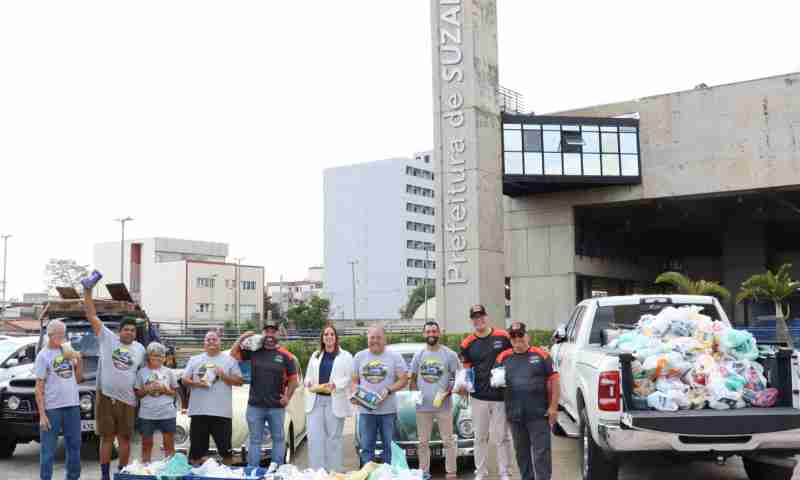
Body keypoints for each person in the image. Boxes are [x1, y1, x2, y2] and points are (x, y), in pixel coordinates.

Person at [85, 287, 146, 480]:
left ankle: (122, 473)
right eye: (126, 329)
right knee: (107, 439)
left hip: (128, 401)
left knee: (125, 438)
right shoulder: (107, 339)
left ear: (135, 333)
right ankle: (105, 476)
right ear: (119, 331)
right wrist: (88, 292)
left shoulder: (140, 349)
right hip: (107, 398)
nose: (129, 332)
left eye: (132, 330)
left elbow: (142, 373)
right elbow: (92, 315)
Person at [495, 322, 560, 480]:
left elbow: (555, 382)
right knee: (522, 454)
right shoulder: (503, 357)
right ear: (510, 339)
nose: (517, 339)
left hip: (538, 414)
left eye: (520, 335)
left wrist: (553, 407)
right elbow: (496, 381)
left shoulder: (542, 355)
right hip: (515, 415)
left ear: (527, 336)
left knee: (541, 454)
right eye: (513, 336)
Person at [231, 319, 299, 468]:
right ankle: (252, 472)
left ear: (277, 334)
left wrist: (287, 397)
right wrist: (242, 337)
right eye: (267, 331)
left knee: (278, 439)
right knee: (255, 440)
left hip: (276, 407)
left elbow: (294, 380)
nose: (269, 334)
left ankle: (277, 471)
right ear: (263, 333)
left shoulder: (286, 356)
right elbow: (233, 354)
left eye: (273, 331)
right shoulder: (254, 351)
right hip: (255, 406)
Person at [458, 304, 514, 480]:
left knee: (502, 437)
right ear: (472, 320)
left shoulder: (503, 336)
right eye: (475, 317)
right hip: (478, 398)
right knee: (480, 437)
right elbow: (466, 370)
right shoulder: (467, 343)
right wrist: (464, 387)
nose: (478, 320)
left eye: (481, 316)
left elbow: (512, 359)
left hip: (500, 397)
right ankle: (480, 472)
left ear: (486, 317)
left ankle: (505, 472)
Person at [182, 330, 243, 466]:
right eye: (208, 339)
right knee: (196, 454)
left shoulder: (229, 360)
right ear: (204, 343)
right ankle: (196, 474)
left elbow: (239, 381)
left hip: (221, 413)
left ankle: (227, 474)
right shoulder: (195, 359)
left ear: (219, 342)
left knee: (226, 452)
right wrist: (197, 383)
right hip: (199, 412)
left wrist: (223, 375)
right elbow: (184, 380)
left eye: (214, 339)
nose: (211, 342)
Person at [351, 324, 408, 466]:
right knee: (366, 449)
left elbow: (404, 379)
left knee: (390, 449)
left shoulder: (394, 356)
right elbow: (353, 382)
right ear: (367, 339)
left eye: (378, 337)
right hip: (366, 412)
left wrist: (389, 390)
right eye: (372, 337)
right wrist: (356, 396)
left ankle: (389, 475)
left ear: (385, 340)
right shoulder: (359, 356)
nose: (375, 340)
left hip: (388, 412)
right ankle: (368, 475)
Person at [409, 321, 460, 480]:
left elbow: (456, 377)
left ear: (439, 333)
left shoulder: (449, 354)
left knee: (448, 441)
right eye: (428, 332)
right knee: (423, 442)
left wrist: (448, 391)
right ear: (424, 334)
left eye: (434, 331)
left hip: (443, 405)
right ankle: (424, 472)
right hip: (423, 407)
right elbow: (413, 378)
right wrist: (414, 392)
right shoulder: (419, 355)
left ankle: (451, 472)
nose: (431, 334)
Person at [35, 320, 83, 480]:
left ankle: (72, 477)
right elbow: (39, 387)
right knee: (48, 450)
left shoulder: (67, 350)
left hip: (73, 406)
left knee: (74, 447)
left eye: (64, 335)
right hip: (52, 408)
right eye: (59, 335)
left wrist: (79, 359)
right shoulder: (43, 356)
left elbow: (78, 379)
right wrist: (42, 414)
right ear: (50, 335)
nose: (63, 338)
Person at [303, 324, 354, 472]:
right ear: (322, 338)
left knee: (333, 439)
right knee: (315, 439)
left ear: (336, 337)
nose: (329, 337)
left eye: (332, 334)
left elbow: (350, 377)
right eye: (326, 334)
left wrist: (335, 385)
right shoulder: (316, 355)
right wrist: (309, 383)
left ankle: (334, 472)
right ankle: (317, 472)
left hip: (334, 400)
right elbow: (308, 377)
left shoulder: (345, 356)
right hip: (316, 400)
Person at [134, 342, 179, 463]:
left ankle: (170, 470)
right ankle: (146, 468)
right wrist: (146, 389)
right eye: (154, 355)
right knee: (146, 444)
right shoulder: (141, 372)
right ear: (148, 356)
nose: (157, 358)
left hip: (167, 412)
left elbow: (175, 393)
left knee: (168, 444)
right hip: (147, 413)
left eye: (160, 356)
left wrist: (165, 390)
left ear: (164, 357)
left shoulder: (169, 372)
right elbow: (137, 394)